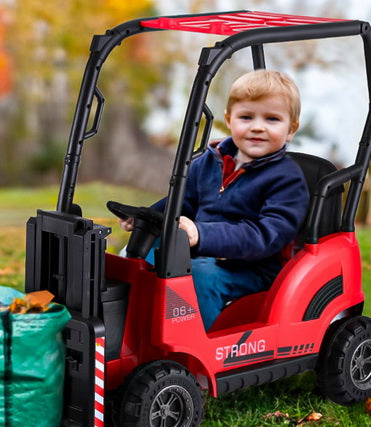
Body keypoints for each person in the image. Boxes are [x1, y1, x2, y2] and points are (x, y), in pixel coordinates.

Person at [117, 69, 309, 329]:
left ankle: (192, 349)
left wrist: (202, 234)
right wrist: (145, 219)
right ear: (230, 120)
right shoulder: (208, 163)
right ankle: (136, 325)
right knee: (140, 253)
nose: (257, 127)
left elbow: (266, 236)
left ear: (290, 129)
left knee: (200, 277)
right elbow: (183, 203)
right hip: (201, 250)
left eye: (272, 119)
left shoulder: (286, 179)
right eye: (246, 117)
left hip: (252, 266)